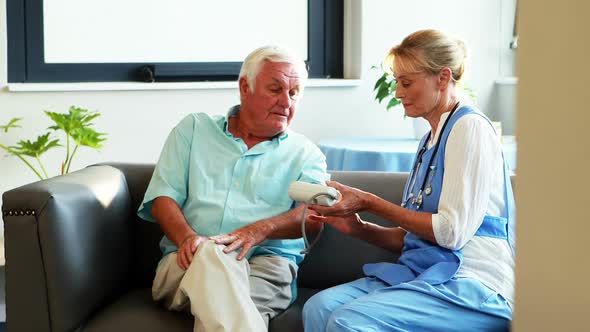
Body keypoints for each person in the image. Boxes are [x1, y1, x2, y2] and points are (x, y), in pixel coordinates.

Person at [302, 29, 515, 331]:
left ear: (442, 78)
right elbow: (415, 238)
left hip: (474, 283)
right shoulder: (430, 140)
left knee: (348, 320)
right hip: (427, 273)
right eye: (397, 82)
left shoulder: (470, 128)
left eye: (406, 82)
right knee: (318, 308)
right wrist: (359, 227)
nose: (398, 92)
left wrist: (369, 201)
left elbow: (450, 233)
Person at [137, 45, 328, 332]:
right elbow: (162, 198)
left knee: (222, 300)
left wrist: (257, 230)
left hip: (266, 268)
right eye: (275, 89)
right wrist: (190, 239)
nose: (286, 102)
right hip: (186, 262)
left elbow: (314, 216)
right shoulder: (193, 130)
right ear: (245, 87)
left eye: (294, 92)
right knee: (213, 254)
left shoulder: (306, 154)